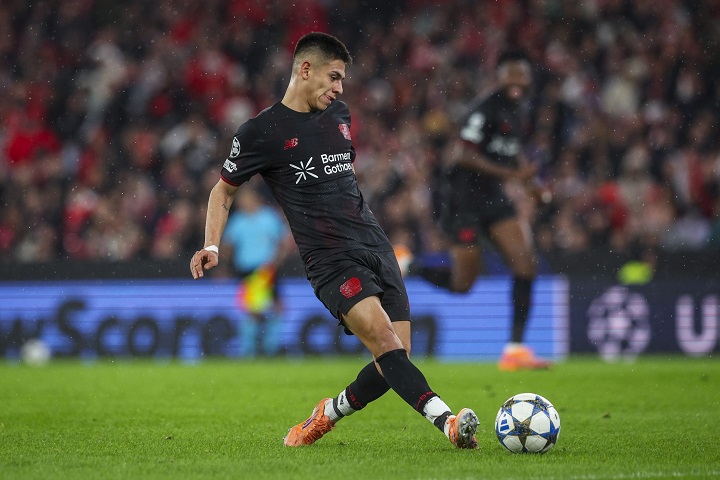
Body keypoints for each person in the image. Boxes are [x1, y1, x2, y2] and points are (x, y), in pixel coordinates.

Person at [190, 32, 478, 449]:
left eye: (342, 79)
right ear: (306, 70)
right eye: (334, 77)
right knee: (385, 343)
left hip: (376, 246)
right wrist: (212, 245)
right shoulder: (260, 132)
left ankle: (326, 414)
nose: (340, 88)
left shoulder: (340, 115)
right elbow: (223, 191)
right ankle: (448, 422)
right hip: (330, 260)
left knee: (396, 357)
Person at [407, 50, 552, 371]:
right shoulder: (484, 109)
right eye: (511, 75)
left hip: (493, 197)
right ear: (499, 78)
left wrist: (533, 187)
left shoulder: (519, 112)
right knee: (463, 285)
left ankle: (515, 350)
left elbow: (512, 154)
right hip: (462, 199)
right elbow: (462, 155)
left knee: (525, 263)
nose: (517, 81)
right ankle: (410, 266)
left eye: (522, 75)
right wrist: (513, 176)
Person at [223, 183, 291, 357]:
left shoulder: (269, 217)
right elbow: (228, 246)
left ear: (256, 199)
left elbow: (282, 241)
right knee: (254, 310)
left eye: (247, 199)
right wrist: (225, 265)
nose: (244, 203)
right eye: (242, 200)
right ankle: (254, 349)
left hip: (267, 270)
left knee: (274, 307)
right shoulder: (238, 221)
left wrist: (277, 260)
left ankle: (269, 346)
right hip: (248, 270)